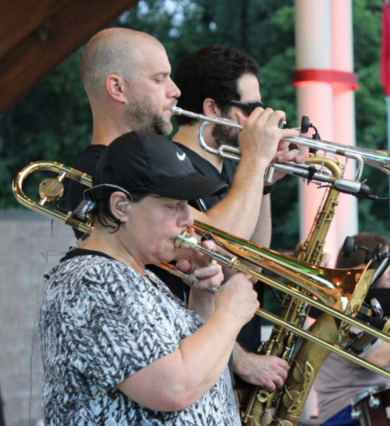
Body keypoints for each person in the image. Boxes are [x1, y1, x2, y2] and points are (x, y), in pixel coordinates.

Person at [64, 32, 295, 391]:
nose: (175, 90)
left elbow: (244, 254)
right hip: (169, 375)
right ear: (117, 88)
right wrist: (256, 157)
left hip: (199, 370)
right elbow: (221, 240)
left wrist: (262, 176)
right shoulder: (97, 174)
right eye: (160, 79)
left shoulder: (162, 164)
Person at [40, 131, 256, 425]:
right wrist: (229, 315)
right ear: (121, 207)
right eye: (173, 206)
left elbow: (191, 363)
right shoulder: (94, 281)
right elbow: (174, 388)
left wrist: (204, 297)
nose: (189, 219)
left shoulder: (136, 275)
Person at [172, 45, 302, 393]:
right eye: (251, 109)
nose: (259, 119)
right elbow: (223, 258)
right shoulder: (170, 169)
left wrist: (265, 181)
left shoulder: (236, 168)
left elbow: (254, 258)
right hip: (199, 367)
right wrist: (240, 360)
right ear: (212, 108)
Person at [313, 233, 390, 426]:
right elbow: (379, 359)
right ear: (367, 266)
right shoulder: (343, 307)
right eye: (387, 264)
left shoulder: (361, 308)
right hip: (347, 412)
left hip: (370, 405)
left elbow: (376, 363)